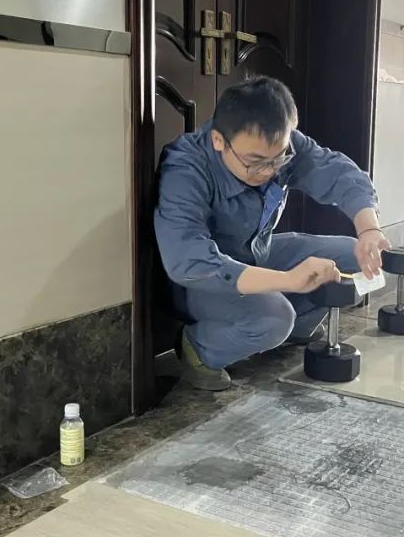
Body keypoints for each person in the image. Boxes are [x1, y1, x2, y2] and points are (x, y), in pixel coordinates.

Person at [154, 75, 391, 391]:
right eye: (255, 162)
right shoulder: (186, 167)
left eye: (278, 160)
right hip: (202, 281)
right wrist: (288, 280)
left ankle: (292, 329)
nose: (268, 171)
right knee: (274, 318)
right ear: (219, 140)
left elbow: (341, 175)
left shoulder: (283, 145)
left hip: (258, 253)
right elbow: (189, 261)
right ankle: (200, 347)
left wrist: (369, 230)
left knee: (352, 256)